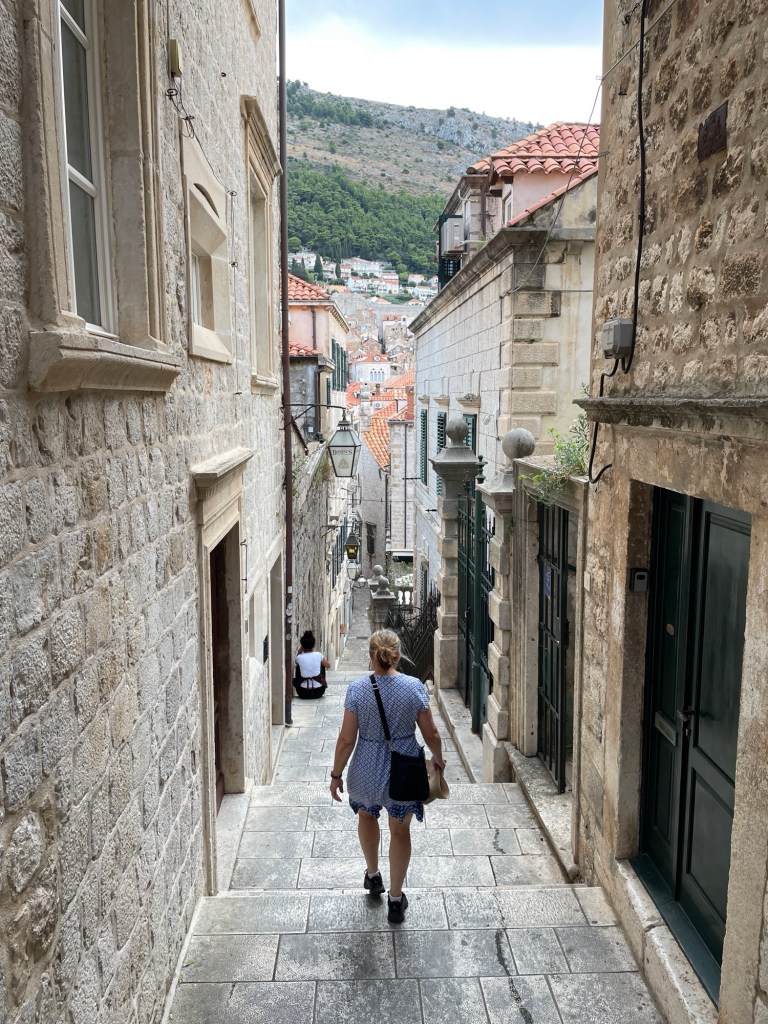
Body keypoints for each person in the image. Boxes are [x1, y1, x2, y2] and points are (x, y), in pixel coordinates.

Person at [329, 628, 446, 923]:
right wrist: (438, 758)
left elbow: (346, 740)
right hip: (403, 768)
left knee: (366, 816)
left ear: (371, 656)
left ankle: (373, 876)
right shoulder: (413, 687)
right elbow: (431, 732)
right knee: (400, 831)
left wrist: (336, 774)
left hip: (365, 766)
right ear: (398, 655)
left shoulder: (357, 689)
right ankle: (395, 899)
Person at [294, 630, 330, 700]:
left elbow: (297, 661)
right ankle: (318, 683)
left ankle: (302, 684)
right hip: (319, 692)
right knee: (322, 665)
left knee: (298, 666)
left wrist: (300, 651)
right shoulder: (318, 655)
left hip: (302, 692)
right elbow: (328, 666)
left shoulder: (299, 657)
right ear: (313, 645)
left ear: (302, 646)